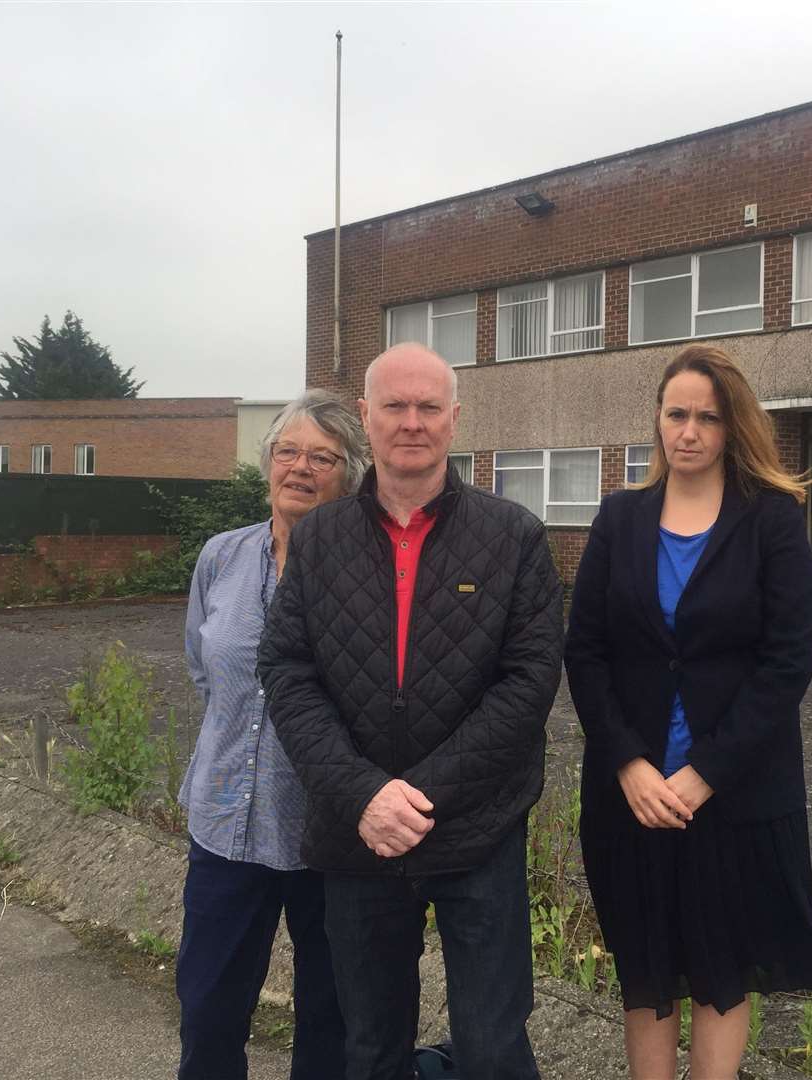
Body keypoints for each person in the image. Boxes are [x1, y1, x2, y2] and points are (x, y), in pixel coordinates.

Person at [257, 342, 564, 1080]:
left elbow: (528, 682)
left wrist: (421, 796)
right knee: (368, 1047)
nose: (412, 422)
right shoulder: (321, 537)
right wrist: (364, 795)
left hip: (477, 831)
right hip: (357, 835)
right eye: (395, 405)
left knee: (493, 1047)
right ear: (366, 418)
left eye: (429, 407)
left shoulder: (512, 535)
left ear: (455, 420)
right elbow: (288, 671)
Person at [564, 344, 812, 1080]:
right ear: (657, 420)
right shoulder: (619, 518)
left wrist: (704, 774)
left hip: (735, 796)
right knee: (646, 964)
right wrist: (629, 763)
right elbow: (586, 652)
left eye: (707, 418)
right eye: (676, 414)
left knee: (724, 968)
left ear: (733, 428)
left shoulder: (772, 524)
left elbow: (787, 663)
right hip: (630, 795)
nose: (688, 431)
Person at [177, 389, 366, 1080]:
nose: (301, 467)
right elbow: (205, 666)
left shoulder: (367, 574)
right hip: (224, 827)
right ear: (267, 464)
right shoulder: (220, 558)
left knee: (329, 1022)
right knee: (207, 1012)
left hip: (328, 835)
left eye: (324, 456)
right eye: (288, 451)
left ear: (349, 475)